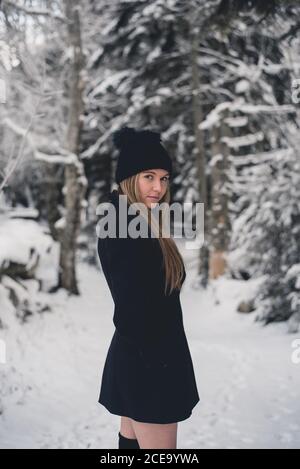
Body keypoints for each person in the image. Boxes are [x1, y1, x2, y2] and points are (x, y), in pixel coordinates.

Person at [97, 126, 200, 449]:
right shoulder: (127, 227)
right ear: (129, 178)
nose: (159, 187)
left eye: (164, 178)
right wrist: (157, 366)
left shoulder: (137, 219)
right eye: (149, 177)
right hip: (151, 365)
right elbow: (131, 310)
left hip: (143, 358)